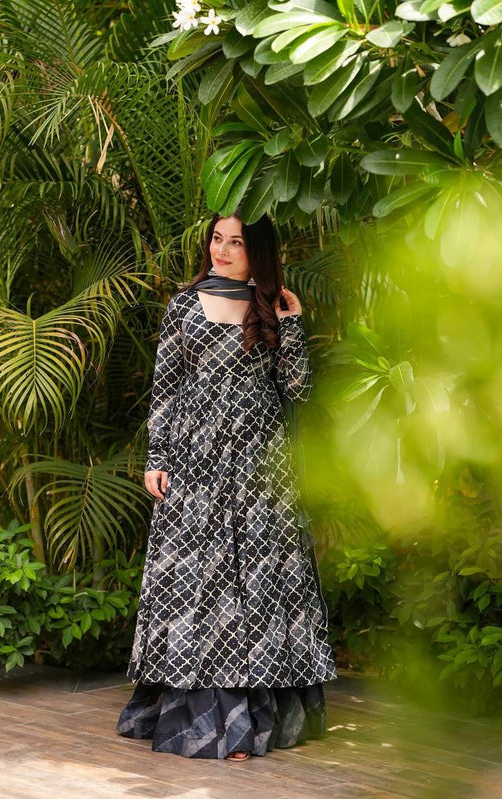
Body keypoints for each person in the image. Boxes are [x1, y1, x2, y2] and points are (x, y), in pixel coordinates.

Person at [116, 210, 337, 760]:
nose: (222, 250)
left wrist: (292, 324)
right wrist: (156, 458)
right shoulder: (184, 306)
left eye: (235, 242)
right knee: (200, 586)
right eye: (217, 239)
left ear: (256, 250)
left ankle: (252, 719)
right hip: (196, 463)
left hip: (261, 468)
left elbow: (297, 390)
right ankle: (214, 720)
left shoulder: (270, 306)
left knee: (257, 589)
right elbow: (166, 388)